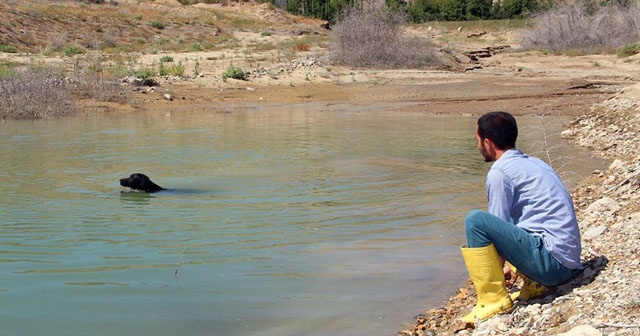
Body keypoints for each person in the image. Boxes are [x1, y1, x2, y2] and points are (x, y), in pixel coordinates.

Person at [459, 111, 582, 325]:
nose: (477, 146)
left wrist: (499, 270)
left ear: (488, 143)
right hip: (567, 263)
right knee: (519, 217)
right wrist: (512, 266)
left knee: (476, 220)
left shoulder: (500, 172)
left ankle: (493, 299)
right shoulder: (534, 163)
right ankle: (534, 282)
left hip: (554, 267)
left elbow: (497, 228)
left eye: (477, 140)